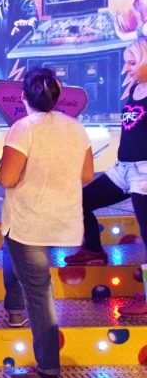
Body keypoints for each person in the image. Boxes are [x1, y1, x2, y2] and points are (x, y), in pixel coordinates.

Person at [0, 68, 94, 378]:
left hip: (28, 224)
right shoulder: (76, 127)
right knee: (17, 261)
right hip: (61, 221)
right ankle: (14, 307)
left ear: (23, 97)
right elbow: (87, 175)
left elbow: (7, 179)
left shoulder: (23, 128)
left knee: (39, 296)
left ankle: (48, 371)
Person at [64, 41, 147, 311]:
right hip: (123, 169)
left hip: (144, 173)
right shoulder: (134, 88)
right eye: (126, 62)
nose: (126, 68)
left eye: (132, 63)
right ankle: (94, 250)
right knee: (80, 200)